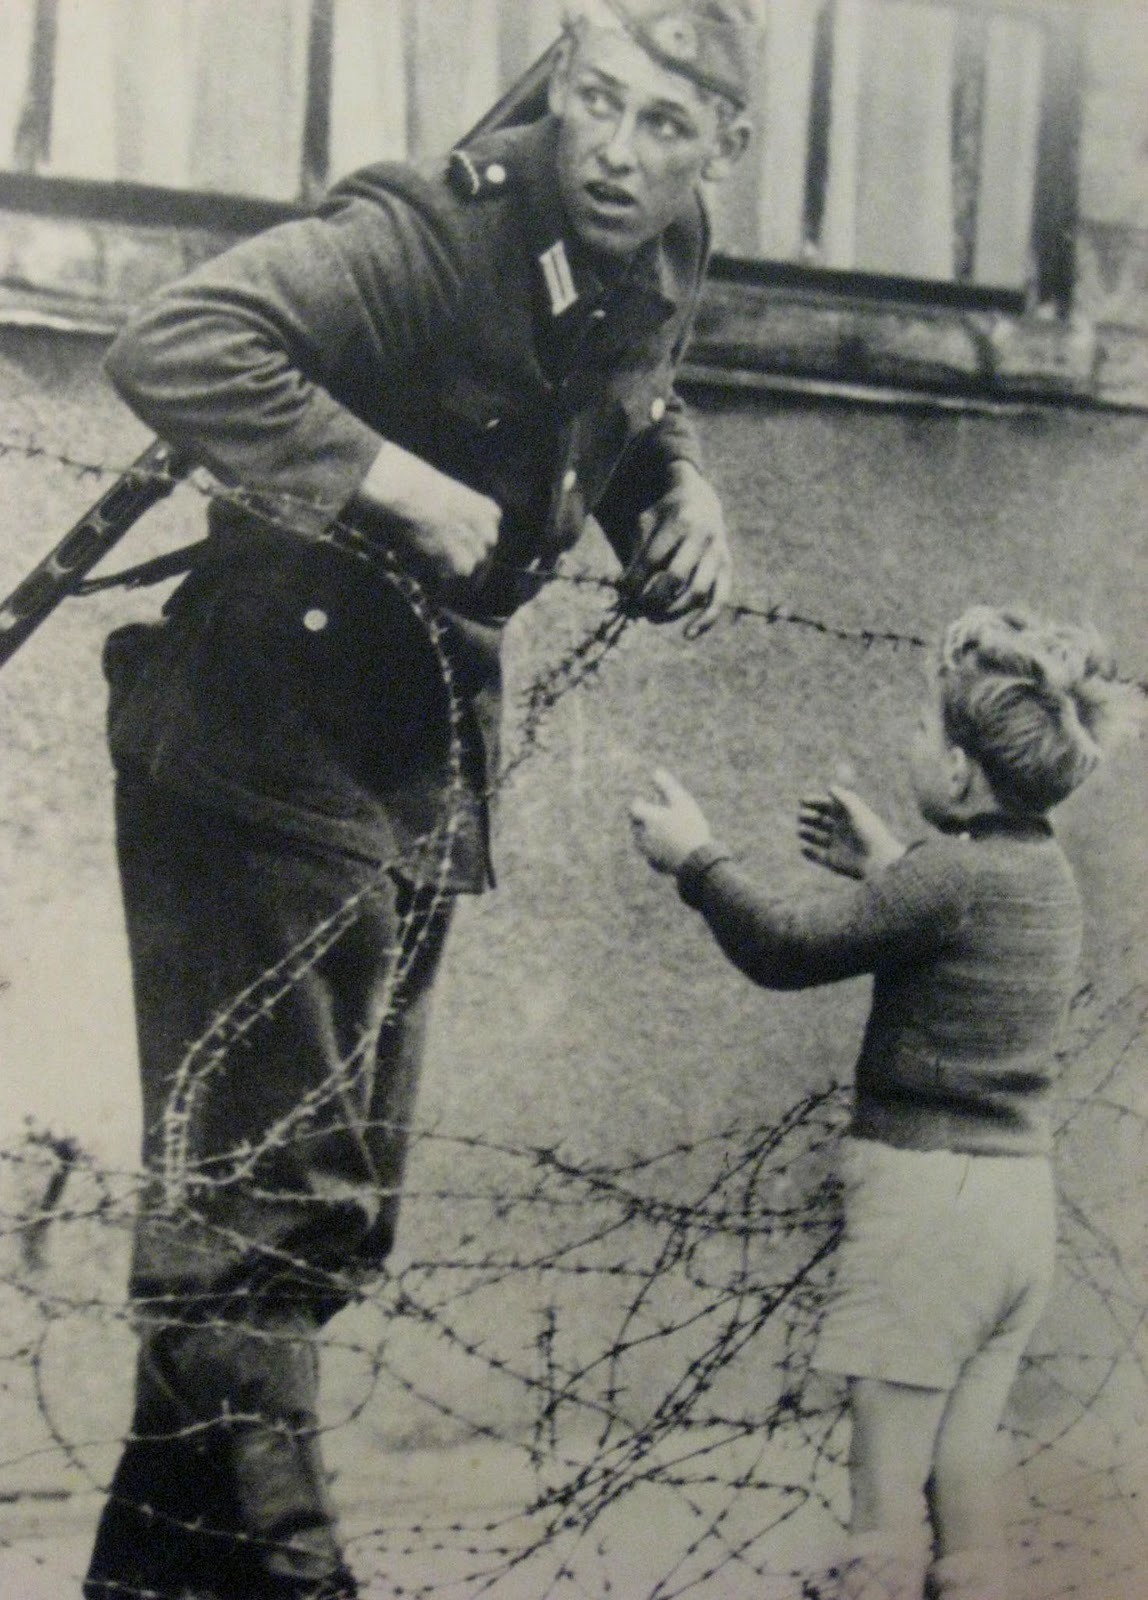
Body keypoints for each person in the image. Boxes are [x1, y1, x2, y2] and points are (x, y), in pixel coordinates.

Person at [83, 5, 756, 1598]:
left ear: (721, 149)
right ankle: (306, 1579)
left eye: (666, 124)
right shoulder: (434, 225)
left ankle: (146, 1579)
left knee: (313, 1216)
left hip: (415, 763)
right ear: (562, 85)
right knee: (267, 1212)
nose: (613, 147)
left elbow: (641, 392)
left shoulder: (666, 250)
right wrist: (395, 481)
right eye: (596, 99)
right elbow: (173, 342)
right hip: (263, 742)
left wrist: (681, 491)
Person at [629, 606, 1133, 1600]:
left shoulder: (943, 876)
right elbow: (956, 924)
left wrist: (695, 859)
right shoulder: (1042, 875)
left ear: (956, 772)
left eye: (921, 730)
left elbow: (785, 947)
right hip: (1012, 1209)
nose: (909, 741)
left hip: (925, 1211)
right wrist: (888, 867)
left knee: (881, 1498)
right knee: (964, 1470)